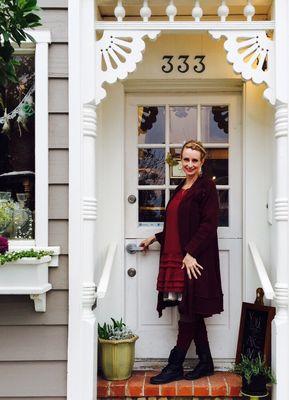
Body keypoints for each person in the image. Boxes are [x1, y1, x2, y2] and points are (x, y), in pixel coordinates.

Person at [140, 140, 223, 384]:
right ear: (180, 161)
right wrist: (155, 237)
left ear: (202, 162)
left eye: (194, 160)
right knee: (191, 310)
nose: (189, 164)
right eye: (186, 159)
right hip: (177, 258)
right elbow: (177, 226)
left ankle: (175, 365)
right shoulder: (180, 188)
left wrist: (190, 252)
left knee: (188, 309)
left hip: (193, 260)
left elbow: (209, 225)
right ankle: (206, 362)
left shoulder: (206, 187)